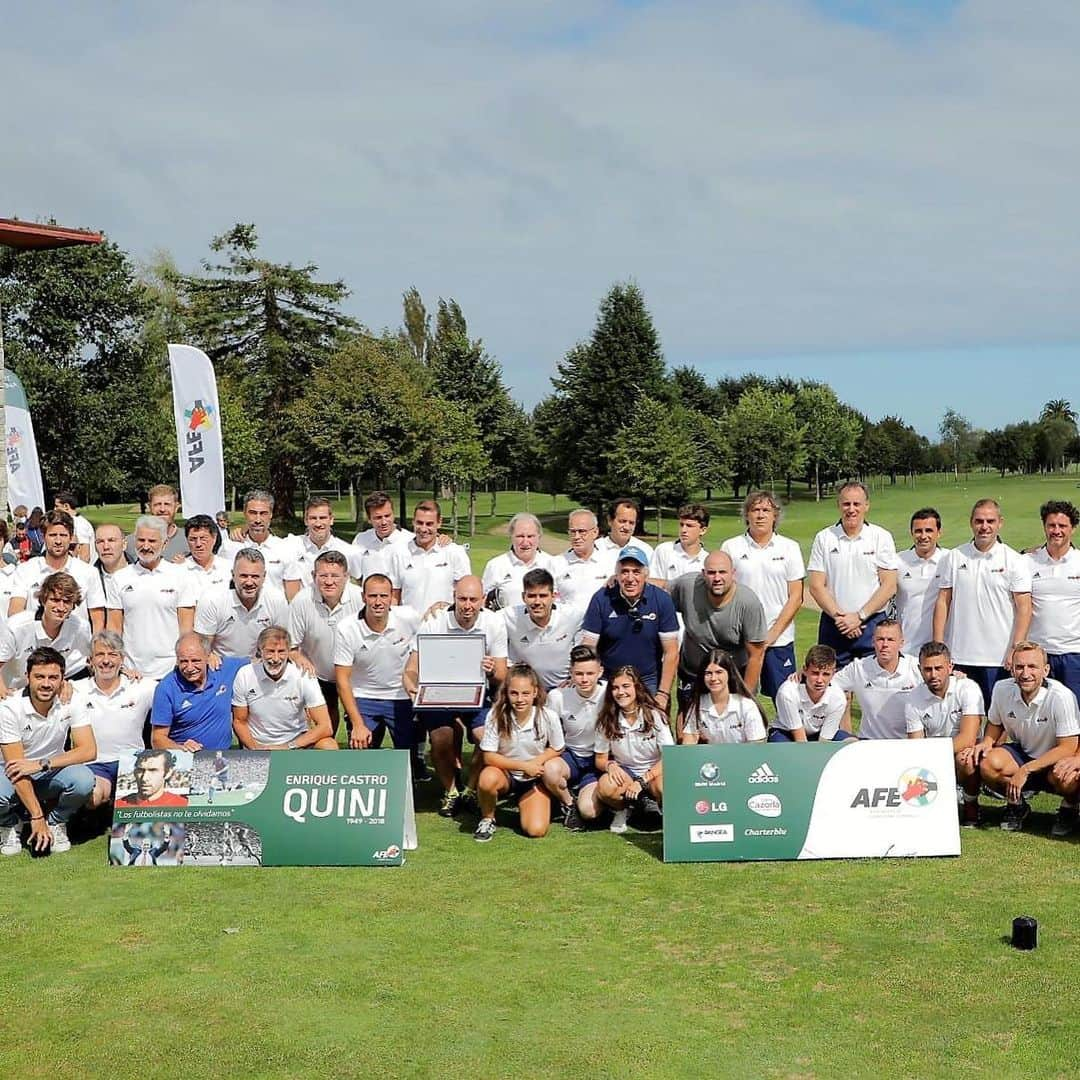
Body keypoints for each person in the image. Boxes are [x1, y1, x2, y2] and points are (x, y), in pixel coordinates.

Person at [402, 575, 508, 816]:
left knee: (486, 738)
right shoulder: (434, 621)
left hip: (477, 693)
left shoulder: (494, 623)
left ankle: (470, 789)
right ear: (454, 598)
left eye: (473, 599)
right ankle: (450, 791)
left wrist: (492, 670)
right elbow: (412, 667)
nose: (467, 605)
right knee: (441, 739)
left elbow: (502, 673)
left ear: (483, 600)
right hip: (439, 693)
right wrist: (409, 682)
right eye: (462, 599)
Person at [961, 641, 1079, 834]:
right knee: (987, 764)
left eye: (1032, 667)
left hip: (1055, 759)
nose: (1025, 673)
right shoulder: (1001, 689)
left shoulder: (1061, 697)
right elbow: (995, 724)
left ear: (1046, 670)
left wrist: (1026, 770)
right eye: (1019, 667)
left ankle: (1069, 808)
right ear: (1012, 669)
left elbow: (1067, 747)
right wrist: (988, 742)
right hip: (1022, 753)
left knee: (1068, 777)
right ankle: (1017, 806)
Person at [932, 498, 1032, 708]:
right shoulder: (954, 556)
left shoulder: (1014, 560)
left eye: (990, 521)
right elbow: (943, 601)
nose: (984, 527)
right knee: (961, 716)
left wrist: (1016, 648)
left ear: (1000, 523)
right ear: (971, 523)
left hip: (998, 657)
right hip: (960, 655)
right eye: (979, 521)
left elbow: (1024, 608)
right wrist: (939, 646)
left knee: (998, 718)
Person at [0, 646, 96, 856]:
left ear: (63, 678)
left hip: (49, 769)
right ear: (27, 677)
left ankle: (56, 822)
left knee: (84, 780)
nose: (46, 683)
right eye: (39, 676)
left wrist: (42, 763)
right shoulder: (9, 708)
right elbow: (16, 768)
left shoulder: (72, 700)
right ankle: (8, 822)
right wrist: (36, 816)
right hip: (9, 772)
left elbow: (89, 750)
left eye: (53, 677)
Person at [720, 491, 805, 701]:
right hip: (740, 640)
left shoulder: (790, 548)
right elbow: (723, 593)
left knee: (786, 700)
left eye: (766, 510)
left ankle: (782, 735)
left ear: (775, 515)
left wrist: (771, 635)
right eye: (755, 510)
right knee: (738, 699)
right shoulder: (731, 547)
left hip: (779, 640)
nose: (760, 515)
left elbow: (796, 597)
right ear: (746, 515)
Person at [807, 481, 898, 665]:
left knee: (874, 687)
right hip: (834, 624)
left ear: (866, 506)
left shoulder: (881, 536)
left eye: (857, 504)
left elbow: (889, 585)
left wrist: (859, 617)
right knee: (833, 687)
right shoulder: (824, 538)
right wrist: (841, 619)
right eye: (846, 504)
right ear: (838, 505)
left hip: (872, 623)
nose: (851, 509)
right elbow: (816, 586)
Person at [473, 663, 564, 842]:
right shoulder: (495, 715)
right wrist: (524, 766)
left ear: (535, 693)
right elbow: (489, 756)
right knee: (487, 778)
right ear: (506, 693)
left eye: (525, 693)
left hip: (534, 778)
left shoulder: (548, 716)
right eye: (514, 693)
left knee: (536, 830)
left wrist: (536, 762)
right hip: (505, 774)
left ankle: (540, 801)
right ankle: (487, 818)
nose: (520, 699)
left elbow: (558, 747)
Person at [669, 551, 767, 711]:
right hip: (693, 672)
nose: (717, 578)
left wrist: (746, 699)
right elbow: (658, 591)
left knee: (733, 727)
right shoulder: (687, 586)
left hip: (734, 674)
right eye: (711, 572)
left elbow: (756, 655)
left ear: (733, 573)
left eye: (722, 572)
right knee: (687, 722)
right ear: (703, 573)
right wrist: (620, 578)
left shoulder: (748, 603)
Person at [580, 547, 679, 705]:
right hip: (609, 677)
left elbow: (671, 652)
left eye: (636, 571)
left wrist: (663, 693)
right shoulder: (602, 598)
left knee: (653, 725)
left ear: (646, 575)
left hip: (648, 678)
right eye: (625, 572)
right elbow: (589, 645)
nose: (630, 578)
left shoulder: (662, 600)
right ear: (617, 575)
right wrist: (583, 676)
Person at [72, 630, 157, 810]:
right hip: (94, 764)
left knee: (137, 806)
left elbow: (175, 694)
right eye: (100, 654)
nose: (106, 660)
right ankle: (106, 802)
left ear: (122, 659)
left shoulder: (142, 686)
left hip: (131, 762)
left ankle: (120, 800)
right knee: (93, 798)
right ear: (90, 660)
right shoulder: (74, 690)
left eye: (113, 654)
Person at [904, 641, 986, 826]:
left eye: (939, 668)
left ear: (950, 667)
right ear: (919, 669)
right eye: (928, 669)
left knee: (966, 759)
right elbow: (916, 743)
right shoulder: (913, 698)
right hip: (933, 757)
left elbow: (968, 738)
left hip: (962, 752)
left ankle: (971, 804)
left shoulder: (968, 688)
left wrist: (933, 754)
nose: (933, 675)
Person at [335, 572, 419, 751]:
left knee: (408, 756)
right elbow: (342, 680)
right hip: (363, 697)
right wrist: (358, 724)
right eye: (373, 596)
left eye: (384, 596)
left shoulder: (410, 618)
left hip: (401, 696)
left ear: (392, 598)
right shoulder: (346, 628)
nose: (378, 602)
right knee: (362, 753)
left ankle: (415, 767)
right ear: (363, 597)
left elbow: (433, 627)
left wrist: (441, 606)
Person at [289, 550, 365, 740]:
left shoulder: (360, 598)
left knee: (359, 728)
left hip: (356, 674)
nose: (329, 581)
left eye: (335, 576)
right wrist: (299, 658)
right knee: (325, 729)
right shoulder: (301, 601)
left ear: (346, 577)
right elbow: (291, 647)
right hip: (319, 673)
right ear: (314, 576)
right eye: (323, 576)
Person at [111, 516, 197, 679]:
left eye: (152, 541)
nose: (145, 546)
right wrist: (120, 666)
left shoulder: (181, 576)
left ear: (164, 544)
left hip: (171, 670)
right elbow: (115, 628)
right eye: (141, 540)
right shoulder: (119, 578)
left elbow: (186, 628)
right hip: (132, 671)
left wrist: (182, 663)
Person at [594, 666, 673, 834]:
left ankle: (662, 810)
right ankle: (624, 809)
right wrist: (610, 766)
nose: (620, 692)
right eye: (615, 688)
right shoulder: (606, 720)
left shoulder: (655, 715)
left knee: (665, 786)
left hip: (654, 773)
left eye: (625, 686)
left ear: (637, 687)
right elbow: (600, 759)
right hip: (626, 773)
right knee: (605, 786)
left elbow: (670, 757)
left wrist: (642, 781)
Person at [231, 627, 337, 750]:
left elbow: (325, 726)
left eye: (281, 651)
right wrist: (256, 749)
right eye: (270, 651)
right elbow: (239, 721)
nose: (276, 658)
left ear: (288, 652)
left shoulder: (304, 675)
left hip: (296, 742)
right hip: (259, 744)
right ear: (260, 651)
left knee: (329, 746)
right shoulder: (245, 674)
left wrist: (288, 746)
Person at [542, 644, 606, 831]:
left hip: (599, 758)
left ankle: (593, 800)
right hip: (571, 756)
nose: (584, 679)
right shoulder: (557, 696)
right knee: (550, 770)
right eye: (578, 674)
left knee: (589, 812)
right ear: (570, 673)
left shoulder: (610, 693)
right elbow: (548, 734)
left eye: (590, 673)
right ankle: (569, 804)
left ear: (600, 672)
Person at [151, 633, 249, 752]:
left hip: (223, 757)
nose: (190, 668)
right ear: (177, 660)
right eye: (184, 661)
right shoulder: (166, 688)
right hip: (187, 758)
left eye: (195, 661)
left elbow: (258, 663)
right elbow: (157, 739)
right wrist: (181, 748)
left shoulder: (224, 669)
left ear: (208, 657)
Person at [0, 571, 93, 693]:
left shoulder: (81, 627)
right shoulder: (16, 627)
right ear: (43, 600)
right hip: (16, 691)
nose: (60, 607)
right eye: (55, 600)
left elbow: (92, 661)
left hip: (53, 692)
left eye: (66, 602)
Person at [1026, 499, 1080, 704]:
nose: (1056, 530)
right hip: (1037, 654)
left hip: (1074, 653)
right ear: (1044, 526)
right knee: (1038, 715)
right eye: (1051, 525)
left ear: (1072, 528)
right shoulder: (1026, 562)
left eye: (1062, 526)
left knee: (1075, 716)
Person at [8, 509, 102, 625]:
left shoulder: (89, 572)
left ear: (71, 537)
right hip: (35, 640)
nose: (58, 541)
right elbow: (15, 613)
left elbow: (98, 620)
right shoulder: (25, 570)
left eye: (63, 535)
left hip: (77, 641)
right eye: (52, 535)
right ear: (43, 537)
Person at [832, 618, 921, 740]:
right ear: (873, 642)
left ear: (901, 643)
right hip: (869, 742)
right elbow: (827, 684)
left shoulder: (916, 667)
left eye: (890, 640)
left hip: (905, 744)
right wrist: (804, 676)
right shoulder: (859, 668)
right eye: (880, 639)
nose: (885, 645)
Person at [194, 548, 289, 660]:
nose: (249, 582)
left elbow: (278, 643)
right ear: (233, 575)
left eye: (255, 576)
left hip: (260, 662)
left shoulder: (277, 599)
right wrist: (209, 656)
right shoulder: (212, 599)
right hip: (221, 663)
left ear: (264, 577)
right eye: (244, 576)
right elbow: (202, 645)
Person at [502, 568, 582, 689]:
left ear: (554, 596)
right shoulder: (509, 616)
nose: (537, 602)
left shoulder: (573, 616)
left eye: (543, 596)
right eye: (532, 596)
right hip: (526, 691)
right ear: (523, 597)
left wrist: (574, 679)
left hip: (564, 688)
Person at [387, 500, 471, 613]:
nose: (423, 529)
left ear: (439, 522)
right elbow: (394, 596)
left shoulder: (455, 552)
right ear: (413, 522)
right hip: (410, 627)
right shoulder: (399, 553)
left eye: (429, 524)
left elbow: (465, 594)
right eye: (419, 523)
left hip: (443, 626)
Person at [679, 649, 766, 745]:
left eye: (719, 672)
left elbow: (757, 746)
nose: (713, 678)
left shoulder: (746, 706)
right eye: (708, 673)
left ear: (729, 673)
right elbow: (689, 742)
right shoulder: (698, 705)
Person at [894, 508, 950, 658]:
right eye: (918, 531)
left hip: (942, 648)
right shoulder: (898, 561)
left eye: (929, 530)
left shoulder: (950, 559)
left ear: (939, 532)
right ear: (911, 532)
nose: (923, 536)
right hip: (906, 649)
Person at [282, 496, 360, 601]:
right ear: (306, 521)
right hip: (304, 610)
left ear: (331, 520)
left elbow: (362, 581)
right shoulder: (291, 545)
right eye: (313, 518)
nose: (318, 524)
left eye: (323, 518)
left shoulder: (348, 551)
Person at [770, 645, 850, 742]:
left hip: (818, 733)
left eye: (826, 674)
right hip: (787, 732)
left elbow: (824, 741)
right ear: (805, 670)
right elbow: (800, 738)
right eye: (815, 673)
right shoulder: (788, 692)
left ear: (833, 673)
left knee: (851, 742)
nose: (820, 680)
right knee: (782, 748)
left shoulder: (838, 698)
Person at [549, 509, 617, 614]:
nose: (576, 537)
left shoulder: (611, 562)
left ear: (595, 532)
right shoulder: (556, 563)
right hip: (568, 627)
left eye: (582, 531)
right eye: (572, 532)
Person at [481, 512, 554, 610]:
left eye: (530, 536)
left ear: (539, 536)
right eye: (520, 536)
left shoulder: (552, 563)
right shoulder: (495, 565)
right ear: (511, 537)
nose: (525, 542)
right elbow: (483, 601)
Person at [221, 489, 291, 586]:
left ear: (271, 514)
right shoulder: (230, 547)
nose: (258, 519)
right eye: (253, 513)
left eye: (263, 513)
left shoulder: (284, 548)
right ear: (245, 513)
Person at [351, 490, 416, 581]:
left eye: (387, 516)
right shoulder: (360, 540)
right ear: (369, 519)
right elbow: (356, 576)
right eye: (378, 518)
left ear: (393, 514)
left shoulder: (411, 541)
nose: (384, 522)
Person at [649, 503, 710, 585]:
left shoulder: (707, 560)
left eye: (689, 526)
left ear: (703, 530)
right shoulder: (664, 550)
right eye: (681, 525)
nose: (683, 530)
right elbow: (652, 582)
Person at [126, 484, 189, 561]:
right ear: (149, 507)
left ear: (176, 507)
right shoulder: (130, 542)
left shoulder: (189, 539)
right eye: (157, 504)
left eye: (167, 504)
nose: (162, 509)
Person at [180, 514, 232, 602]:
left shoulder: (229, 568)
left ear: (214, 538)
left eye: (203, 538)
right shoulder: (179, 570)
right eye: (193, 539)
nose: (198, 544)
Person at [115, 748, 188, 807]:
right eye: (140, 770)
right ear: (135, 772)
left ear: (168, 773)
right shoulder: (119, 806)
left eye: (153, 770)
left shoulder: (183, 805)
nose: (144, 778)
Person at [595, 497, 654, 562]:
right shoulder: (596, 549)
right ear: (609, 520)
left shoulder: (645, 550)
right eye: (622, 521)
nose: (627, 527)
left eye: (631, 523)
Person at [53, 490, 94, 561]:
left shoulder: (80, 524)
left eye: (57, 506)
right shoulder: (73, 522)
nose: (54, 509)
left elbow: (84, 554)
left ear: (66, 506)